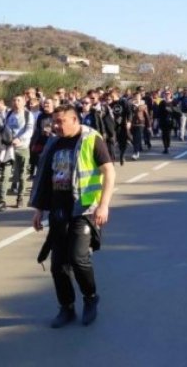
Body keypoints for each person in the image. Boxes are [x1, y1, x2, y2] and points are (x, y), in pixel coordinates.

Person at [31, 103, 115, 328]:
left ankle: (90, 298)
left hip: (84, 208)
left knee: (78, 258)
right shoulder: (54, 143)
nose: (56, 126)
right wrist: (39, 210)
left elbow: (109, 171)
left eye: (61, 122)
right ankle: (66, 307)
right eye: (54, 122)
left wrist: (104, 205)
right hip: (59, 209)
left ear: (75, 120)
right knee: (58, 265)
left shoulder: (91, 139)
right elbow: (45, 177)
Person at [5, 94, 35, 208]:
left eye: (19, 100)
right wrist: (7, 139)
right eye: (14, 100)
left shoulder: (28, 114)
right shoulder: (9, 114)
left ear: (24, 102)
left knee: (22, 174)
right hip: (10, 148)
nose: (16, 102)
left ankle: (20, 197)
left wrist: (20, 139)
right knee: (6, 173)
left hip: (22, 148)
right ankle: (2, 199)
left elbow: (30, 130)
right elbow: (5, 128)